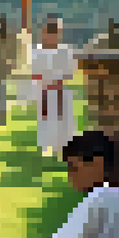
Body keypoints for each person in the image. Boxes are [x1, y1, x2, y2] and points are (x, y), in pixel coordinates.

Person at [32, 19, 79, 157]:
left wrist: (59, 79)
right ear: (44, 32)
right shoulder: (38, 51)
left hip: (60, 90)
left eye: (55, 32)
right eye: (49, 32)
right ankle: (46, 147)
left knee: (61, 120)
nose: (52, 36)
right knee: (46, 119)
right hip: (45, 90)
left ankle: (62, 146)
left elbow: (70, 72)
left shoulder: (65, 51)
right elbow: (35, 72)